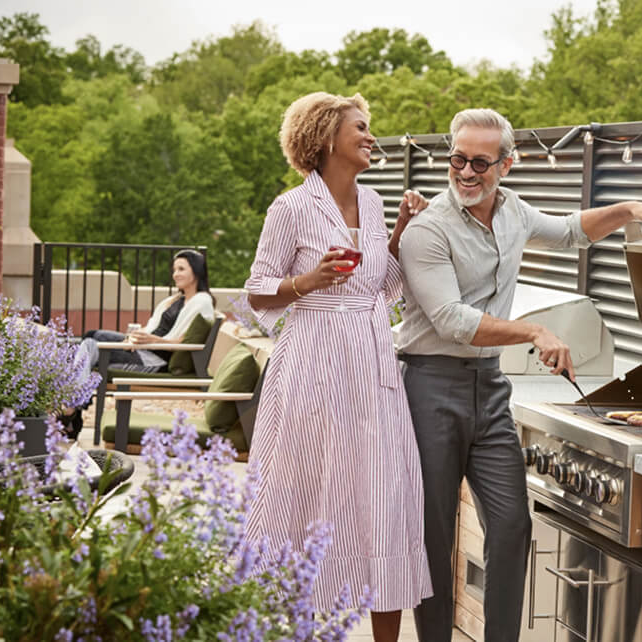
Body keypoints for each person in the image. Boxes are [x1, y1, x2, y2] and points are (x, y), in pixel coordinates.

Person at [397, 108, 642, 641]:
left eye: (479, 162)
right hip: (429, 386)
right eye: (457, 160)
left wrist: (626, 208)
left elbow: (570, 231)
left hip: (489, 389)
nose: (466, 173)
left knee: (513, 524)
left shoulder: (514, 211)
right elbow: (452, 321)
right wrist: (535, 333)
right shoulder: (427, 230)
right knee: (433, 537)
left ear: (507, 165)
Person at [243, 91, 432, 642]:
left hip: (373, 367)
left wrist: (398, 231)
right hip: (312, 364)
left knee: (383, 494)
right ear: (326, 138)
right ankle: (280, 628)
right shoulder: (290, 209)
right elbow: (257, 292)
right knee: (299, 491)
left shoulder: (373, 202)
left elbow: (386, 286)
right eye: (361, 127)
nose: (371, 136)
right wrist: (306, 281)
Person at [67, 249, 215, 437]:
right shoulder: (177, 299)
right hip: (146, 347)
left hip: (154, 359)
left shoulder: (202, 301)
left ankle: (72, 407)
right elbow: (152, 327)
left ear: (196, 271)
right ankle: (76, 410)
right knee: (92, 335)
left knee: (90, 345)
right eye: (174, 269)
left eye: (181, 269)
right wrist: (133, 338)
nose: (175, 274)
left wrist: (152, 341)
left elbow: (183, 341)